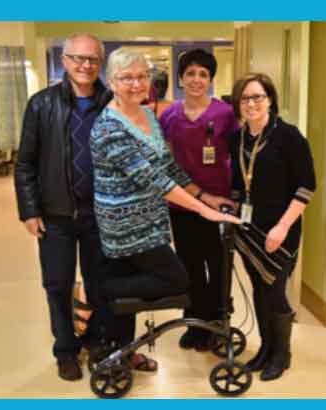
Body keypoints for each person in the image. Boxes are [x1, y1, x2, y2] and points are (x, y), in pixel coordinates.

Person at [89, 48, 241, 368]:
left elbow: (168, 166)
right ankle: (98, 293)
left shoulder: (146, 115)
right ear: (111, 82)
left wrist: (206, 197)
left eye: (141, 76)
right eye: (126, 77)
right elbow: (153, 178)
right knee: (176, 280)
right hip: (126, 225)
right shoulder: (107, 127)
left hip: (152, 223)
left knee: (131, 295)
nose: (136, 83)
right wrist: (204, 212)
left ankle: (123, 352)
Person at [14, 33, 127, 381]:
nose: (85, 65)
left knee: (100, 285)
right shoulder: (41, 104)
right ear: (64, 61)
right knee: (58, 285)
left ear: (100, 64)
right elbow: (25, 163)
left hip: (101, 217)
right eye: (78, 58)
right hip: (55, 216)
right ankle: (65, 349)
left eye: (92, 59)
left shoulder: (114, 103)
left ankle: (97, 341)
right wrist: (30, 210)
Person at [229, 73, 316, 381]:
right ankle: (265, 348)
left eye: (258, 97)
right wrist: (234, 212)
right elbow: (239, 186)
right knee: (258, 288)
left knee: (275, 290)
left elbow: (307, 187)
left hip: (282, 229)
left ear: (270, 100)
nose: (252, 103)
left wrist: (281, 228)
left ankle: (282, 354)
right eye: (245, 98)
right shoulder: (238, 138)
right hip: (250, 229)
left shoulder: (289, 136)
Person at [159, 49, 237, 351]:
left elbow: (236, 155)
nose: (196, 79)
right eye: (190, 73)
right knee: (189, 264)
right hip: (181, 203)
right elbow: (166, 159)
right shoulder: (170, 116)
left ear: (211, 80)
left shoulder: (224, 114)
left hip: (217, 204)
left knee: (217, 265)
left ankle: (217, 322)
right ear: (180, 78)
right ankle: (194, 321)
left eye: (203, 74)